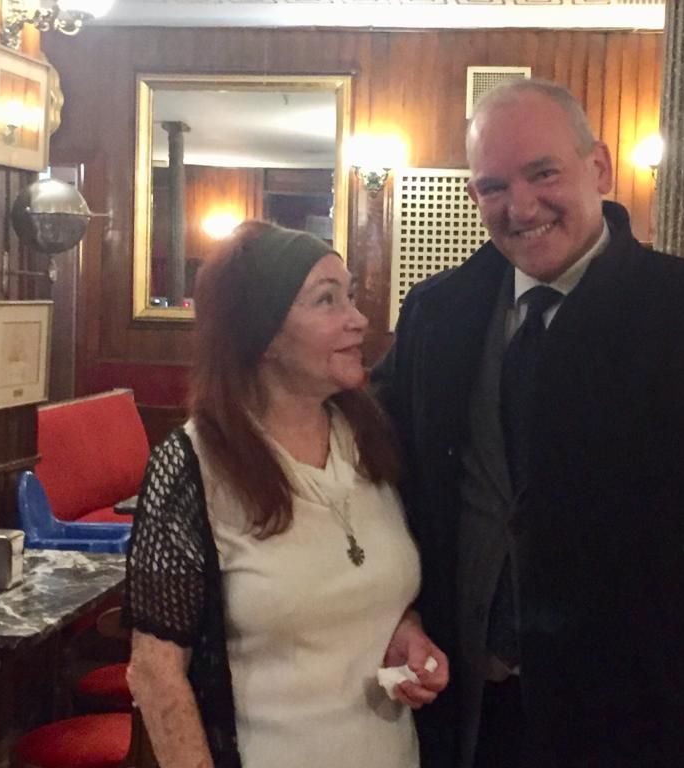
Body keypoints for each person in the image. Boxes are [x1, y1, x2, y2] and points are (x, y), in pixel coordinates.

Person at [373, 80, 684, 768]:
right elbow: (378, 468)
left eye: (543, 173)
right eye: (493, 186)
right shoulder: (437, 314)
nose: (520, 207)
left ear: (598, 167)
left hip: (636, 721)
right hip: (465, 716)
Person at [125, 221, 449, 768]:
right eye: (327, 300)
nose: (358, 319)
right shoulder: (193, 466)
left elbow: (367, 585)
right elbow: (155, 672)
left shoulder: (371, 438)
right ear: (265, 335)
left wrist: (404, 630)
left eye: (350, 296)